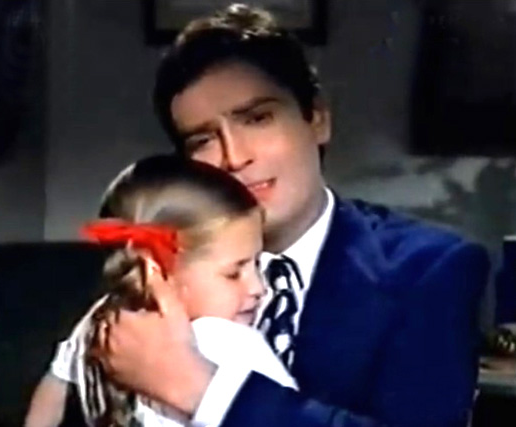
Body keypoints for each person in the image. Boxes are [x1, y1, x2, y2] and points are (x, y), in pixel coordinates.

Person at [95, 4, 491, 427]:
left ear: (317, 119)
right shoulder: (161, 268)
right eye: (203, 140)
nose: (234, 157)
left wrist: (201, 390)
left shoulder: (428, 271)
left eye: (258, 118)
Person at [24, 155, 296, 427]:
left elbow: (55, 385)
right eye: (234, 273)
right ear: (158, 271)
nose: (259, 288)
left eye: (257, 264)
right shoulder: (232, 343)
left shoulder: (99, 320)